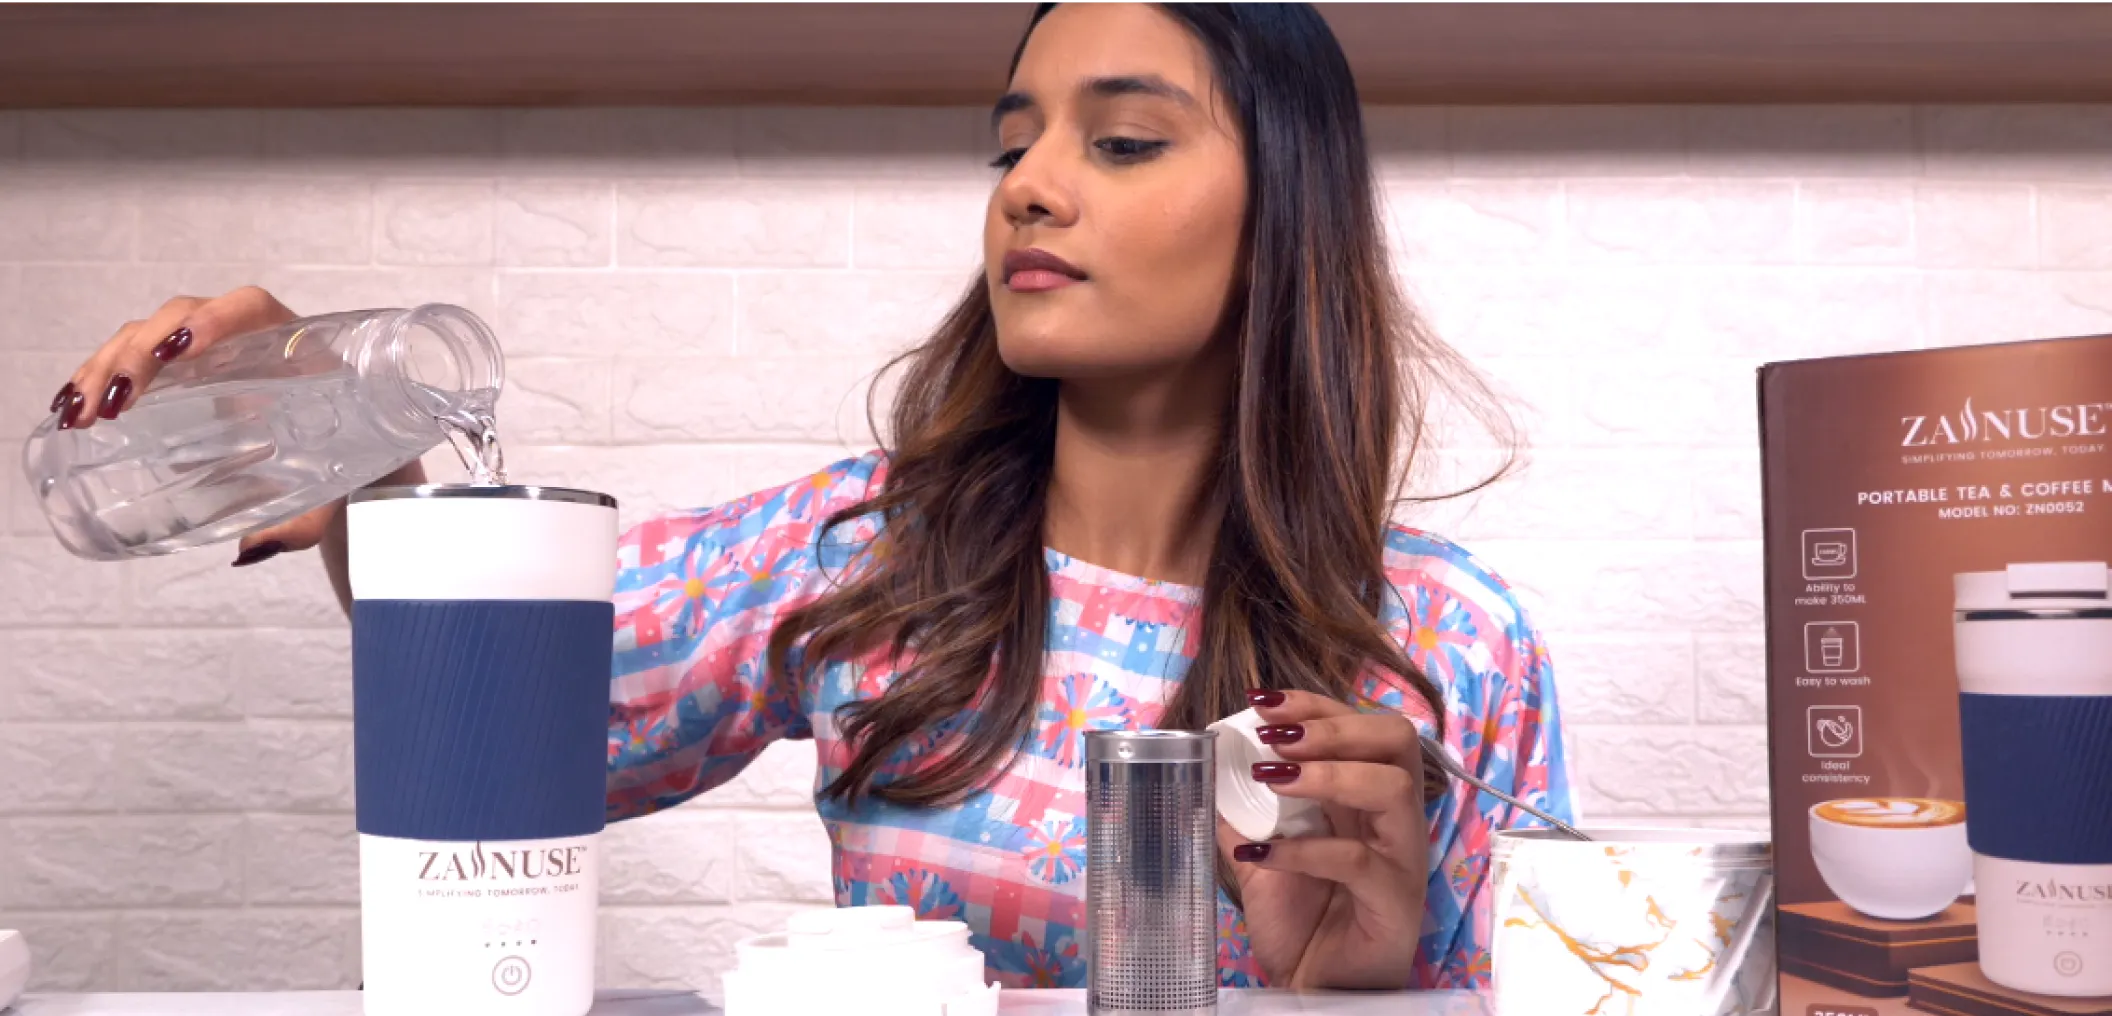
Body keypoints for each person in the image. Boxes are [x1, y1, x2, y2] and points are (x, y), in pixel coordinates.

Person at [49, 0, 1572, 993]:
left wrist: (1358, 989)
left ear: (1289, 204)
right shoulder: (875, 554)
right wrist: (354, 431)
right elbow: (522, 736)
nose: (1030, 185)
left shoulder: (1453, 642)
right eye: (1012, 142)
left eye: (1117, 140)